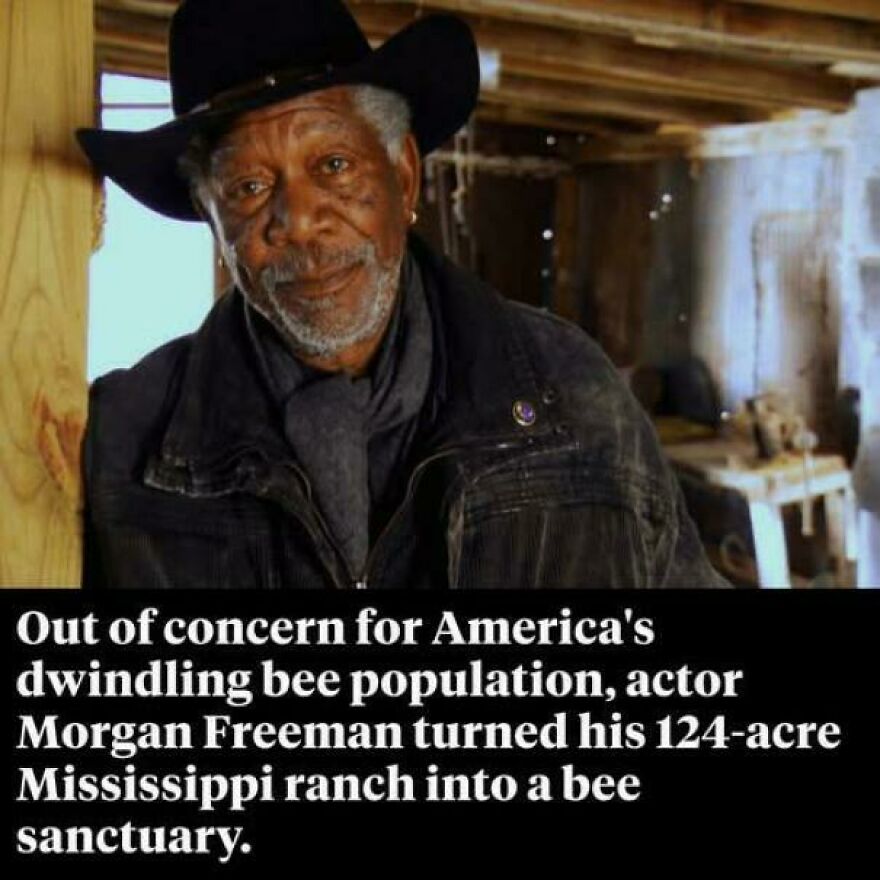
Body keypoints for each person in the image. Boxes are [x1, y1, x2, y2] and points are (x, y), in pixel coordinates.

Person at [77, 0, 727, 589]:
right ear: (212, 218)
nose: (299, 221)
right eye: (248, 188)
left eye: (333, 166)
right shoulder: (125, 437)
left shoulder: (575, 397)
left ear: (405, 177)